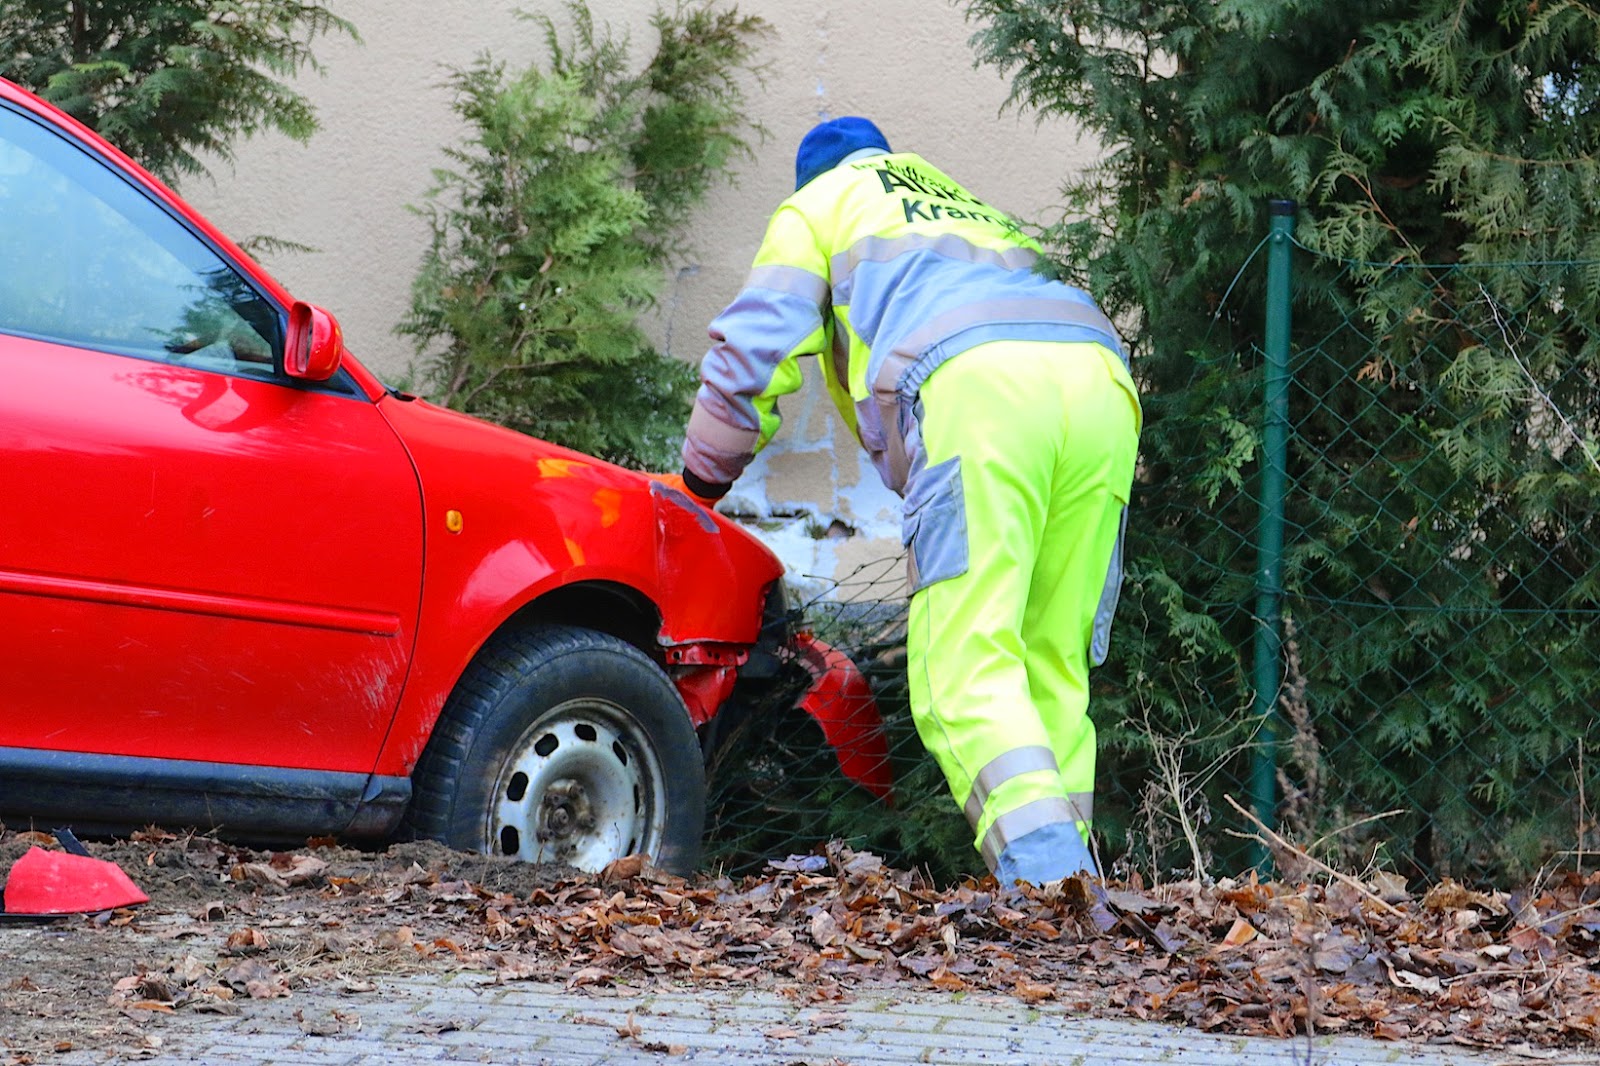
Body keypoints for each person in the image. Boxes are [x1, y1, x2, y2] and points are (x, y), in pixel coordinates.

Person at [671, 117, 1141, 886]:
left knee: (963, 667)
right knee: (1049, 659)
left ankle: (1055, 894)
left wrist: (698, 485)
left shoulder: (818, 205)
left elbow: (753, 349)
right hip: (1099, 383)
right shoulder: (957, 203)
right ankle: (1076, 892)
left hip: (982, 391)